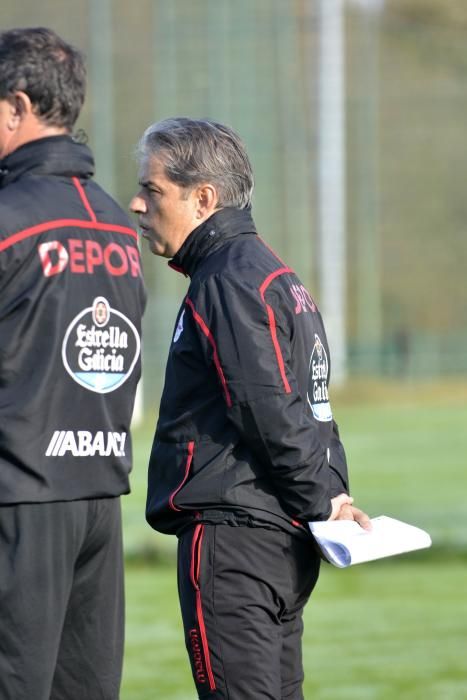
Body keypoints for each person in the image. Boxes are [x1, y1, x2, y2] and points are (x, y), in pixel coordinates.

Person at [130, 117, 369, 700]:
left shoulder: (227, 279)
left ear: (202, 197)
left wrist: (324, 500)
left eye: (153, 189)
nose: (137, 204)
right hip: (279, 539)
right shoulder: (274, 275)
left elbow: (268, 408)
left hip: (236, 544)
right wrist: (331, 496)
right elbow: (313, 409)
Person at [0, 27, 146, 700]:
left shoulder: (11, 218)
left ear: (14, 108)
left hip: (17, 498)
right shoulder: (117, 223)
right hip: (96, 498)